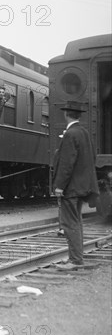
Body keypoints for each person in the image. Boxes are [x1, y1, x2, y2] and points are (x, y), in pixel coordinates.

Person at [52, 101, 99, 270]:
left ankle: (76, 260)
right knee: (76, 222)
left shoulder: (70, 134)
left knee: (69, 223)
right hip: (82, 186)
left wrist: (59, 186)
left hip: (71, 188)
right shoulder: (84, 132)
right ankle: (76, 257)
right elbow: (92, 158)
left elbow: (66, 164)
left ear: (66, 114)